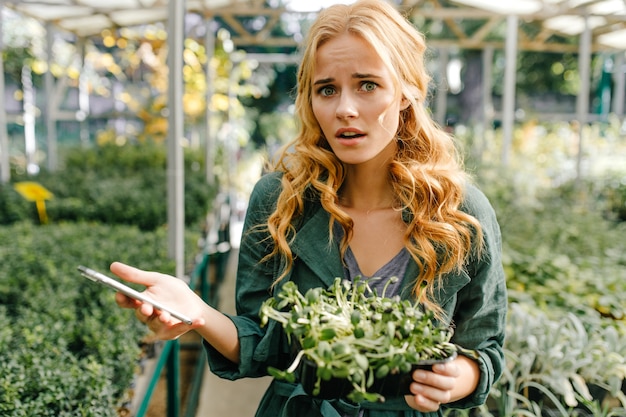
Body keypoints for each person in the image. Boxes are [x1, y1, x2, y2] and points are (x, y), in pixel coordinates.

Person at [111, 0, 507, 416]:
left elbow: (485, 346)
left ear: (408, 91)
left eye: (367, 85)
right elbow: (261, 342)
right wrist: (198, 314)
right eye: (327, 89)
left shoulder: (460, 213)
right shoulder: (279, 201)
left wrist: (461, 376)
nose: (344, 109)